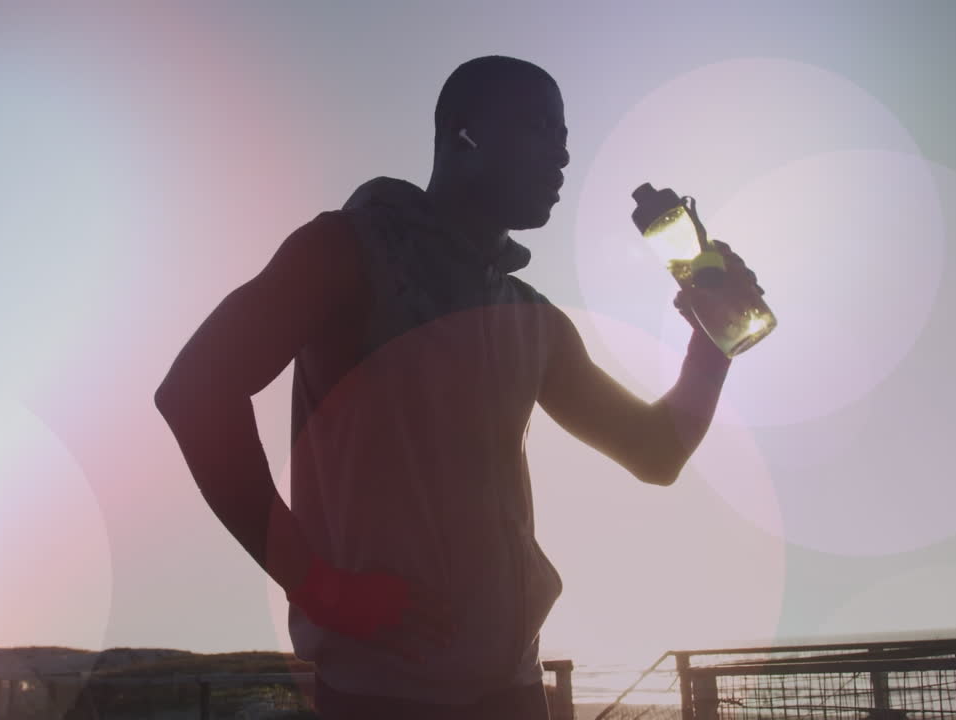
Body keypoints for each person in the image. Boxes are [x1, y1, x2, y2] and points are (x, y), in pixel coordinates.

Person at [155, 55, 761, 719]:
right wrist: (320, 588)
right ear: (463, 132)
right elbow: (196, 390)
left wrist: (714, 342)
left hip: (515, 690)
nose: (561, 156)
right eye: (538, 127)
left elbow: (655, 452)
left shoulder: (531, 318)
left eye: (564, 137)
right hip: (380, 696)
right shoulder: (345, 250)